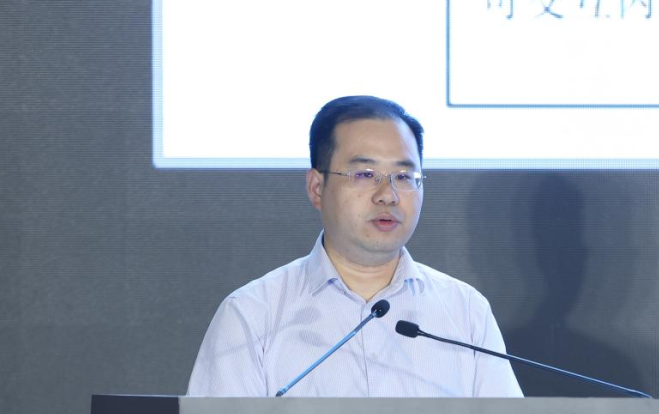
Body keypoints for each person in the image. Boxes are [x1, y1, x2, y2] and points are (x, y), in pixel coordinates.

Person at [187, 95, 522, 398]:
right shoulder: (252, 315)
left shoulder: (465, 312)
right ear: (317, 188)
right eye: (364, 174)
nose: (388, 195)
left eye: (404, 177)